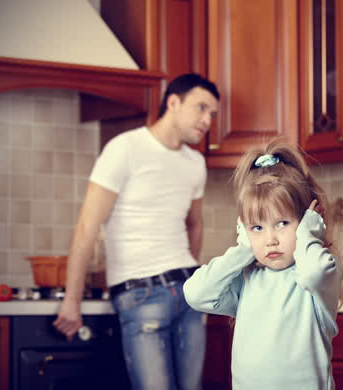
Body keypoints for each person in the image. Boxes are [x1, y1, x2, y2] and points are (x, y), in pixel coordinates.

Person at [53, 73, 220, 390]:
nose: (207, 120)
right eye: (201, 108)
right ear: (173, 102)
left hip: (188, 291)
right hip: (141, 295)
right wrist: (71, 300)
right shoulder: (124, 149)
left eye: (212, 113)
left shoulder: (195, 163)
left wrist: (193, 279)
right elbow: (88, 225)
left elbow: (194, 223)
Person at [183, 138, 343, 390]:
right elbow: (195, 293)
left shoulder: (320, 271)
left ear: (306, 221)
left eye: (282, 223)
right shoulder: (246, 281)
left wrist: (308, 235)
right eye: (257, 228)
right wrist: (244, 248)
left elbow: (314, 273)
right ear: (244, 231)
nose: (270, 240)